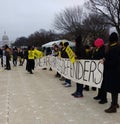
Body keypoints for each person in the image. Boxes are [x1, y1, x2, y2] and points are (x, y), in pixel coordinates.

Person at [101, 32, 120, 113]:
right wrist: (105, 59)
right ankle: (115, 103)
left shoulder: (114, 48)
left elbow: (114, 62)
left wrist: (104, 62)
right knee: (115, 89)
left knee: (114, 90)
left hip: (114, 72)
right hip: (115, 72)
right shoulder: (115, 47)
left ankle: (113, 106)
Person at [92, 38, 108, 104]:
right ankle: (99, 95)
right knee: (99, 82)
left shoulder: (104, 49)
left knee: (103, 84)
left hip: (103, 68)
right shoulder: (97, 49)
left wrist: (103, 59)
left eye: (97, 45)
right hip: (98, 68)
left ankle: (104, 98)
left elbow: (105, 56)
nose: (96, 46)